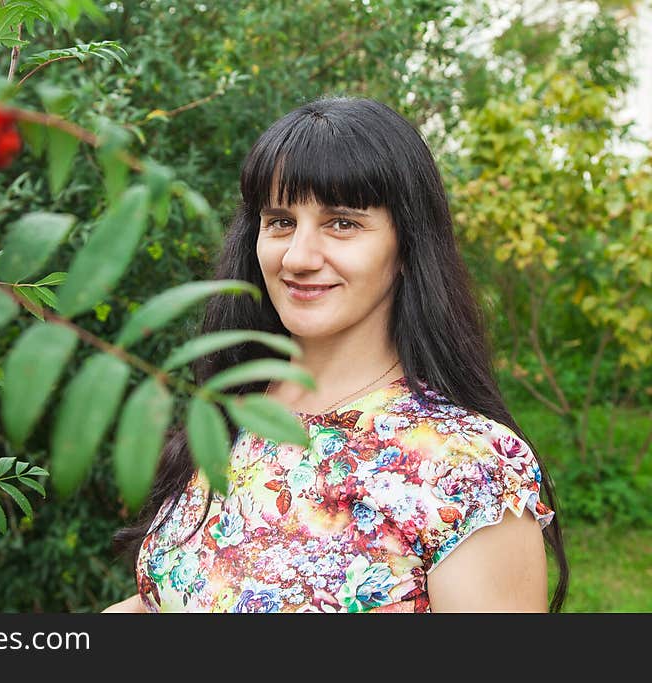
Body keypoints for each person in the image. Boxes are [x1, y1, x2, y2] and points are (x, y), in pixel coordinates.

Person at [104, 97, 568, 613]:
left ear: (408, 245)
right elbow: (174, 599)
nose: (298, 257)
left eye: (342, 223)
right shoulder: (236, 404)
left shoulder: (468, 469)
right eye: (280, 221)